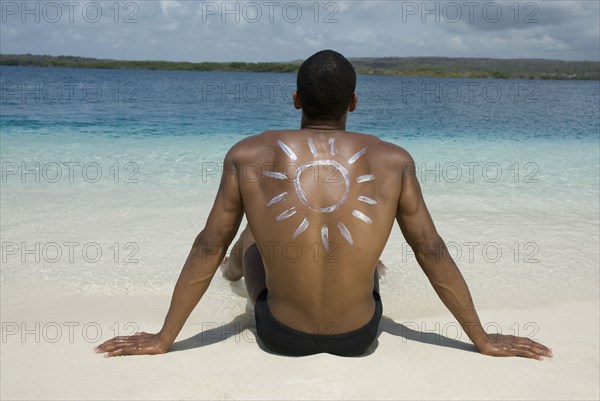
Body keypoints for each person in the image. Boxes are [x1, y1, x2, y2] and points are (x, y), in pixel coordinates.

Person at [95, 50, 552, 359]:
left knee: (252, 237)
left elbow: (207, 244)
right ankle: (363, 267)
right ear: (354, 102)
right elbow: (431, 250)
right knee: (365, 258)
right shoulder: (394, 160)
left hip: (281, 336)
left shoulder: (247, 154)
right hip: (358, 338)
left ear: (295, 98)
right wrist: (482, 337)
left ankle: (237, 271)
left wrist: (163, 338)